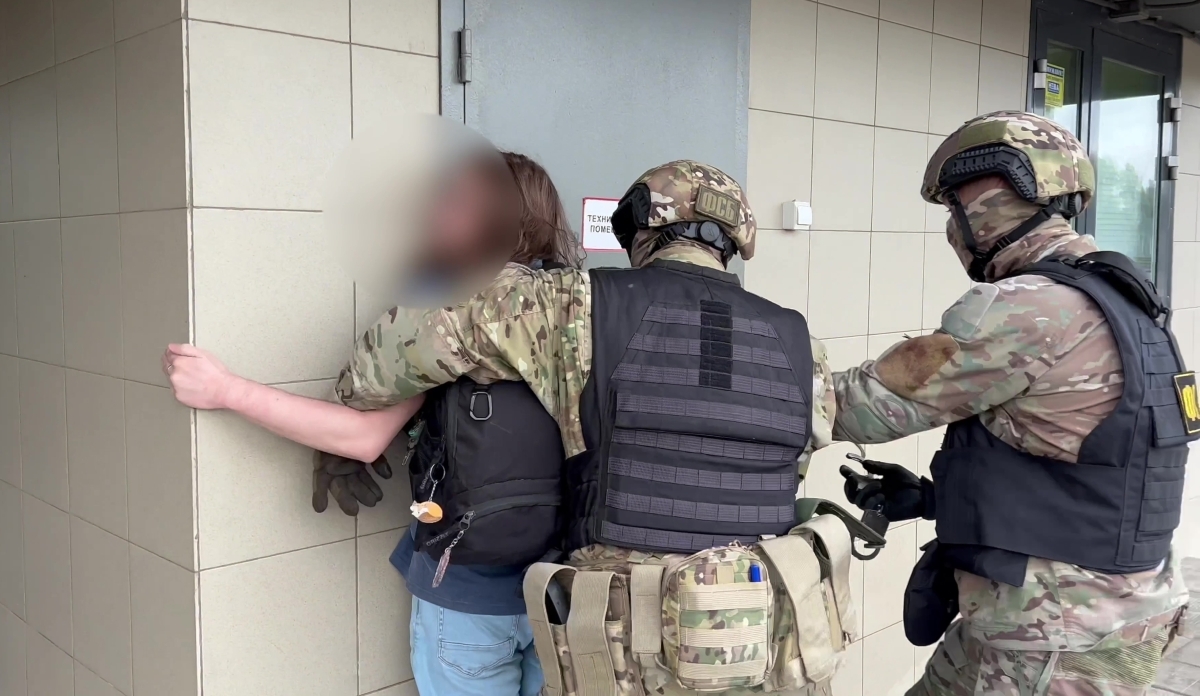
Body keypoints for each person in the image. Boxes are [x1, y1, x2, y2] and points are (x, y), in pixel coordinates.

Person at [333, 160, 864, 696]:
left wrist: (348, 417)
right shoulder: (801, 345)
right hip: (762, 649)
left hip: (623, 657)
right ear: (737, 240)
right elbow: (803, 454)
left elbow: (395, 350)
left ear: (640, 227)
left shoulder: (573, 304)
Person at [164, 151, 582, 696]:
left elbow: (361, 437)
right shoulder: (583, 311)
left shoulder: (453, 310)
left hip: (469, 595)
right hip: (567, 594)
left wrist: (226, 390)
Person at [834, 111, 1192, 695]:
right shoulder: (1126, 300)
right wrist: (933, 499)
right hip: (1092, 611)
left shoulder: (1031, 305)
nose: (952, 228)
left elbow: (864, 407)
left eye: (953, 208)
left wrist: (765, 364)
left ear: (988, 203)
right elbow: (1085, 462)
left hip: (1056, 634)